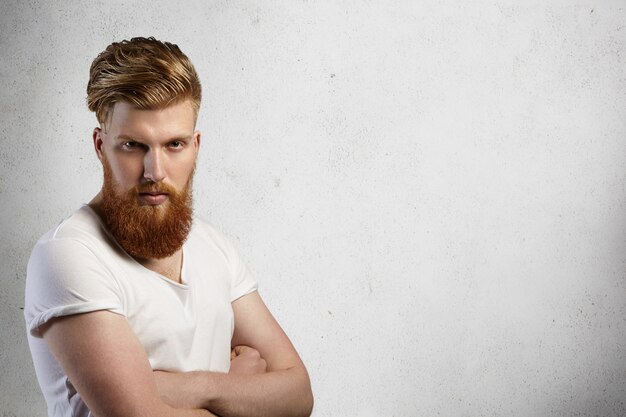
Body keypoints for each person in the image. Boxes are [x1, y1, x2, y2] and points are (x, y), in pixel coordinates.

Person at [24, 37, 313, 417]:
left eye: (174, 144)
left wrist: (191, 387)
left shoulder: (215, 247)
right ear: (100, 145)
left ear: (196, 145)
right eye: (132, 145)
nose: (155, 171)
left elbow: (297, 394)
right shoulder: (68, 255)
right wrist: (240, 389)